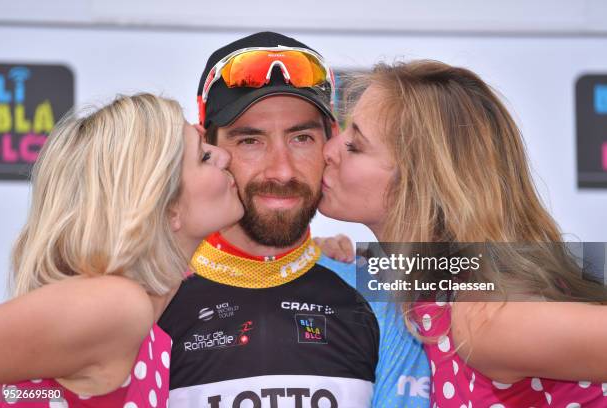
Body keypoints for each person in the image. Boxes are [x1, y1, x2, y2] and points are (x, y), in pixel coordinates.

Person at [158, 32, 430, 407]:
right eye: (250, 141)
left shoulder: (383, 287)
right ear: (209, 148)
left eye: (301, 138)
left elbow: (510, 271)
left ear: (331, 142)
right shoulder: (151, 298)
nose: (282, 171)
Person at [319, 60, 607, 407]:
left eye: (355, 145)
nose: (328, 150)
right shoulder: (427, 288)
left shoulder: (484, 317)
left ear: (423, 182)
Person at [0, 93, 244, 407]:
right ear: (166, 208)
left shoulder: (141, 305)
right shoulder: (119, 304)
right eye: (204, 157)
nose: (223, 156)